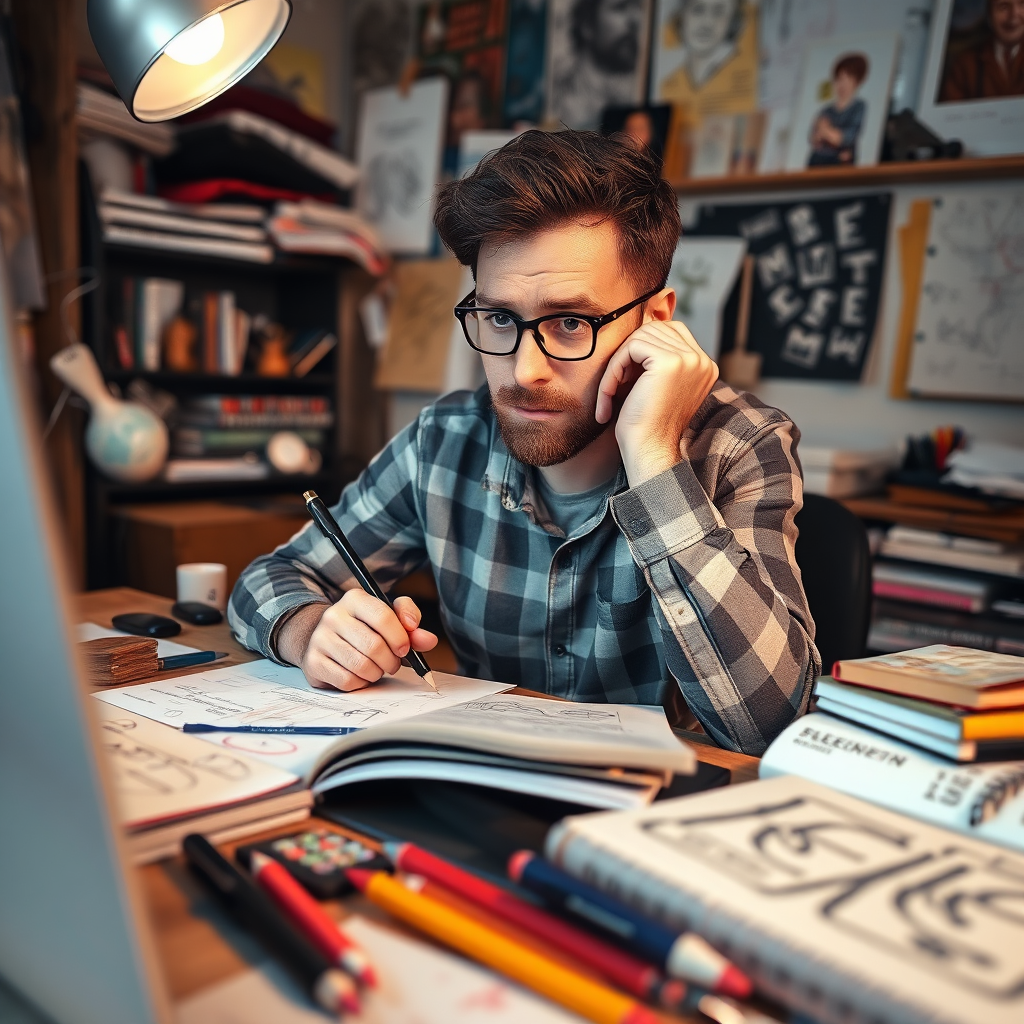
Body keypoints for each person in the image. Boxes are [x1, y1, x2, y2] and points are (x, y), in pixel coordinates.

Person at [228, 131, 819, 756]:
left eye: (571, 322)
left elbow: (775, 726)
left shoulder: (741, 446)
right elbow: (271, 577)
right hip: (479, 782)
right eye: (500, 318)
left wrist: (654, 458)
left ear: (655, 321)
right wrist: (311, 632)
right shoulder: (444, 441)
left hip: (663, 803)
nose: (523, 370)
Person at [549, 0, 646, 130]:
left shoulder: (627, 97)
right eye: (620, 8)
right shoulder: (562, 95)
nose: (635, 20)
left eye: (638, 8)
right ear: (587, 25)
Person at [941, 0, 1024, 101]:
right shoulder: (966, 63)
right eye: (1003, 7)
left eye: (1022, 5)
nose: (1014, 15)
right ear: (989, 15)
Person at [808, 53, 869, 167]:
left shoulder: (858, 107)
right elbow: (814, 139)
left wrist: (825, 131)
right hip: (819, 162)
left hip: (842, 164)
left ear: (856, 82)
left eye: (848, 79)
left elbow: (847, 138)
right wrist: (825, 134)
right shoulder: (826, 110)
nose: (843, 85)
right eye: (840, 79)